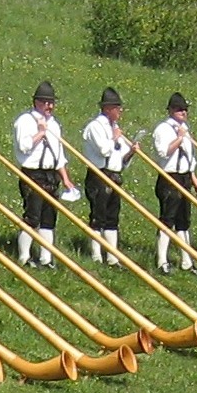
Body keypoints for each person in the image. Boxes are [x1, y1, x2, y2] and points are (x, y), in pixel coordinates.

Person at [11, 81, 69, 268]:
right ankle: (24, 257)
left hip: (52, 174)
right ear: (36, 102)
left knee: (49, 218)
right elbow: (24, 146)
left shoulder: (55, 124)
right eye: (45, 102)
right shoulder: (25, 121)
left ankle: (46, 258)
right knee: (32, 216)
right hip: (33, 173)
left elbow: (59, 154)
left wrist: (66, 178)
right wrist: (40, 133)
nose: (49, 106)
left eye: (51, 102)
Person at [78, 87, 135, 265]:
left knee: (112, 217)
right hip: (99, 174)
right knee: (98, 215)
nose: (120, 111)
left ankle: (112, 256)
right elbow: (103, 150)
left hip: (114, 175)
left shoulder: (114, 128)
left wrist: (131, 152)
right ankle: (96, 255)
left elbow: (121, 157)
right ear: (107, 108)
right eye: (117, 108)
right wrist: (114, 137)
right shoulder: (95, 126)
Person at [148, 93, 197, 273]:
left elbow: (190, 158)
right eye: (179, 109)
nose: (183, 112)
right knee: (167, 219)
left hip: (185, 176)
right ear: (170, 110)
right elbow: (164, 152)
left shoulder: (185, 128)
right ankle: (162, 260)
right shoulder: (162, 129)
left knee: (184, 220)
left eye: (185, 109)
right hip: (170, 177)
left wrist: (195, 181)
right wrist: (179, 138)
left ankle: (187, 261)